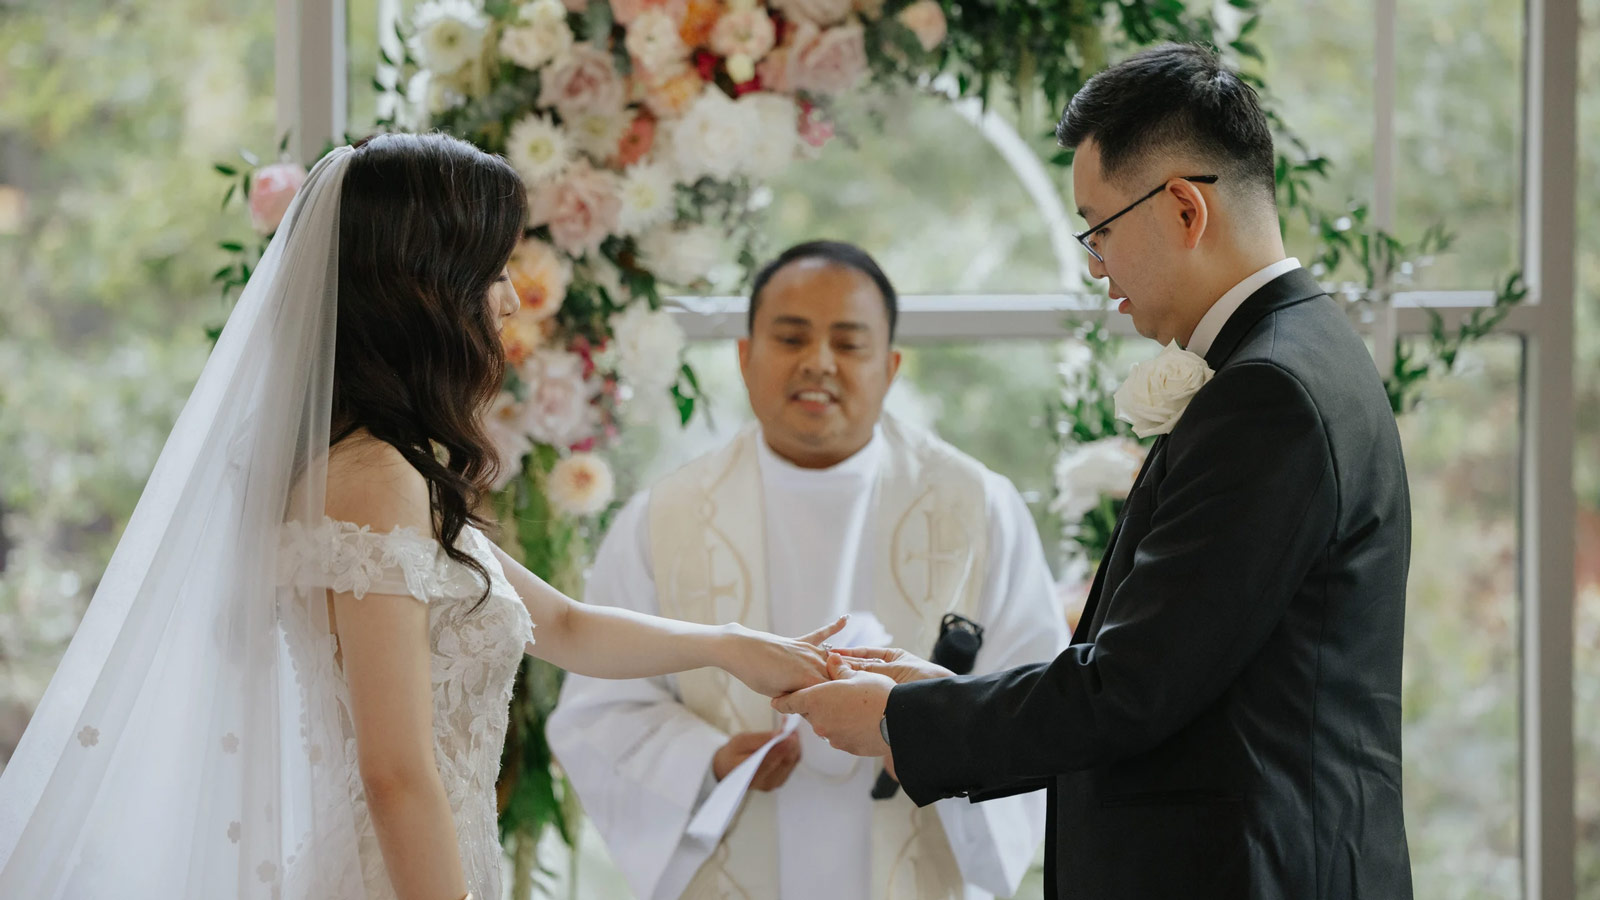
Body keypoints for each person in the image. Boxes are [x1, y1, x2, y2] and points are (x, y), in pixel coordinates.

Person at [0, 133, 841, 900]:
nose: (512, 300)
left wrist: (735, 648)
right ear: (423, 288)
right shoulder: (371, 480)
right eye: (494, 270)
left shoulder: (389, 467)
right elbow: (395, 771)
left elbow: (567, 626)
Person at [775, 45, 1415, 900]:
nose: (1095, 265)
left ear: (1185, 208)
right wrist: (937, 694)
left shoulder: (1269, 393)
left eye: (1100, 229)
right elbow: (1173, 663)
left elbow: (1129, 691)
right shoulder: (1308, 351)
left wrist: (899, 721)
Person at [547, 241, 1068, 900]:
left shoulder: (980, 508)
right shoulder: (662, 519)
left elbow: (1041, 703)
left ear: (891, 366)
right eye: (791, 337)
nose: (818, 362)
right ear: (744, 355)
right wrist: (705, 763)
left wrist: (925, 737)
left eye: (849, 344)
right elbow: (598, 709)